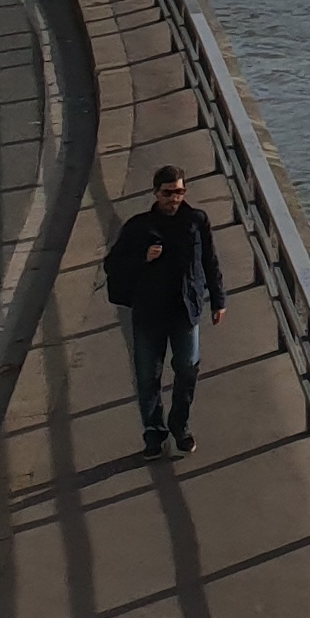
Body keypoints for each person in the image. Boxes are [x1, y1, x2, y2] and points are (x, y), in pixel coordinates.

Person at [101, 163, 226, 458]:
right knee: (148, 376)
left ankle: (179, 425)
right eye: (169, 193)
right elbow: (112, 265)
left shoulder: (196, 221)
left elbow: (210, 261)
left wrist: (219, 300)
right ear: (156, 193)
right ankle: (154, 433)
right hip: (149, 313)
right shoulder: (138, 227)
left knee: (188, 369)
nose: (175, 198)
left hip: (186, 310)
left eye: (180, 192)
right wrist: (142, 258)